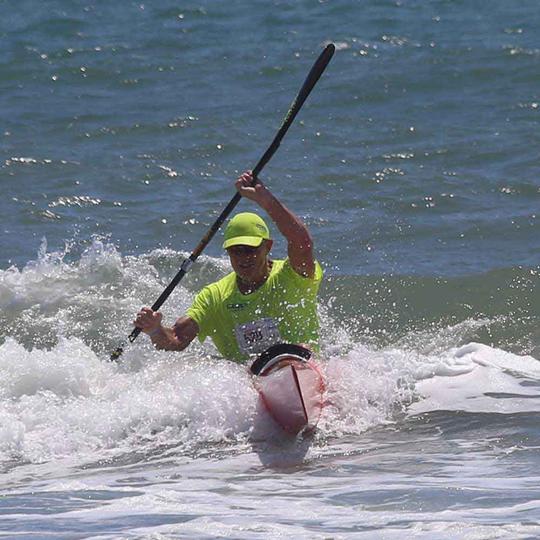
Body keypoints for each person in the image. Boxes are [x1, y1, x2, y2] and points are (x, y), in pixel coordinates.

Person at [134, 170, 323, 363]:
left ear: (268, 246)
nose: (243, 257)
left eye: (249, 249)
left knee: (306, 351)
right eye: (235, 250)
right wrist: (155, 329)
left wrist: (265, 199)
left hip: (303, 365)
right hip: (252, 380)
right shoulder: (215, 297)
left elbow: (302, 243)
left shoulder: (291, 276)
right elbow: (176, 340)